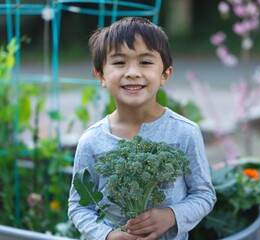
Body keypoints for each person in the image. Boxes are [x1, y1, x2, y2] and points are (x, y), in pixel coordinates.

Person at [68, 16, 216, 240]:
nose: (133, 72)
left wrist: (171, 215)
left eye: (145, 62)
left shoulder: (185, 132)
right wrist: (107, 235)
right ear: (101, 75)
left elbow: (204, 195)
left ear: (165, 74)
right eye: (119, 63)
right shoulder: (92, 140)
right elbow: (78, 207)